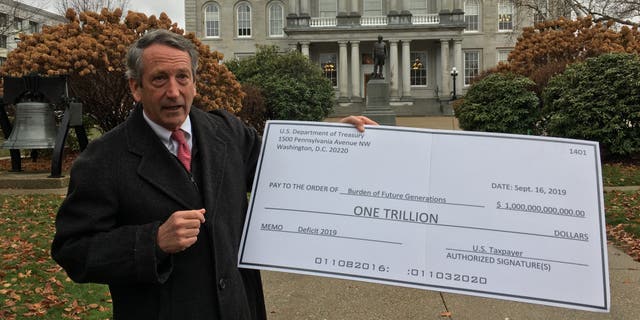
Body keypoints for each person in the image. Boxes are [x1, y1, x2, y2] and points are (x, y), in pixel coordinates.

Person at [51, 29, 376, 320]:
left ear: (195, 81)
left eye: (183, 77)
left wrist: (331, 139)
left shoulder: (227, 132)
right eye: (159, 79)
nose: (174, 92)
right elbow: (74, 249)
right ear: (136, 87)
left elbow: (282, 167)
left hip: (239, 307)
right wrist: (152, 242)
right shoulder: (103, 159)